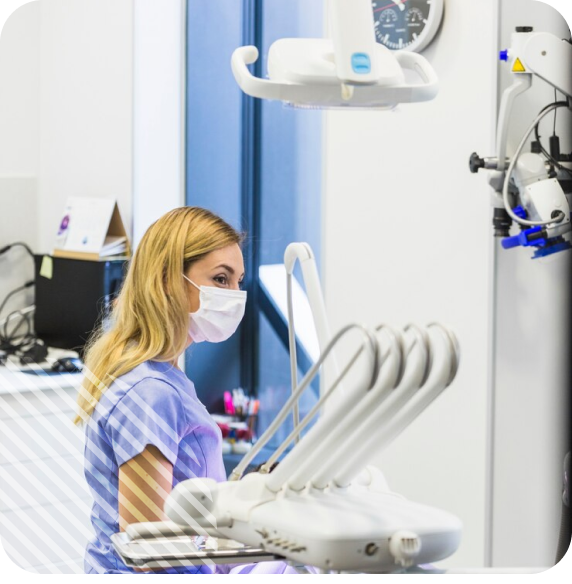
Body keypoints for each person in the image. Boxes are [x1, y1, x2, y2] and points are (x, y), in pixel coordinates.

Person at [76, 207, 254, 574]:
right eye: (221, 279)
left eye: (238, 281)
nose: (235, 295)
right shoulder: (148, 392)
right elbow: (150, 550)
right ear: (167, 280)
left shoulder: (160, 374)